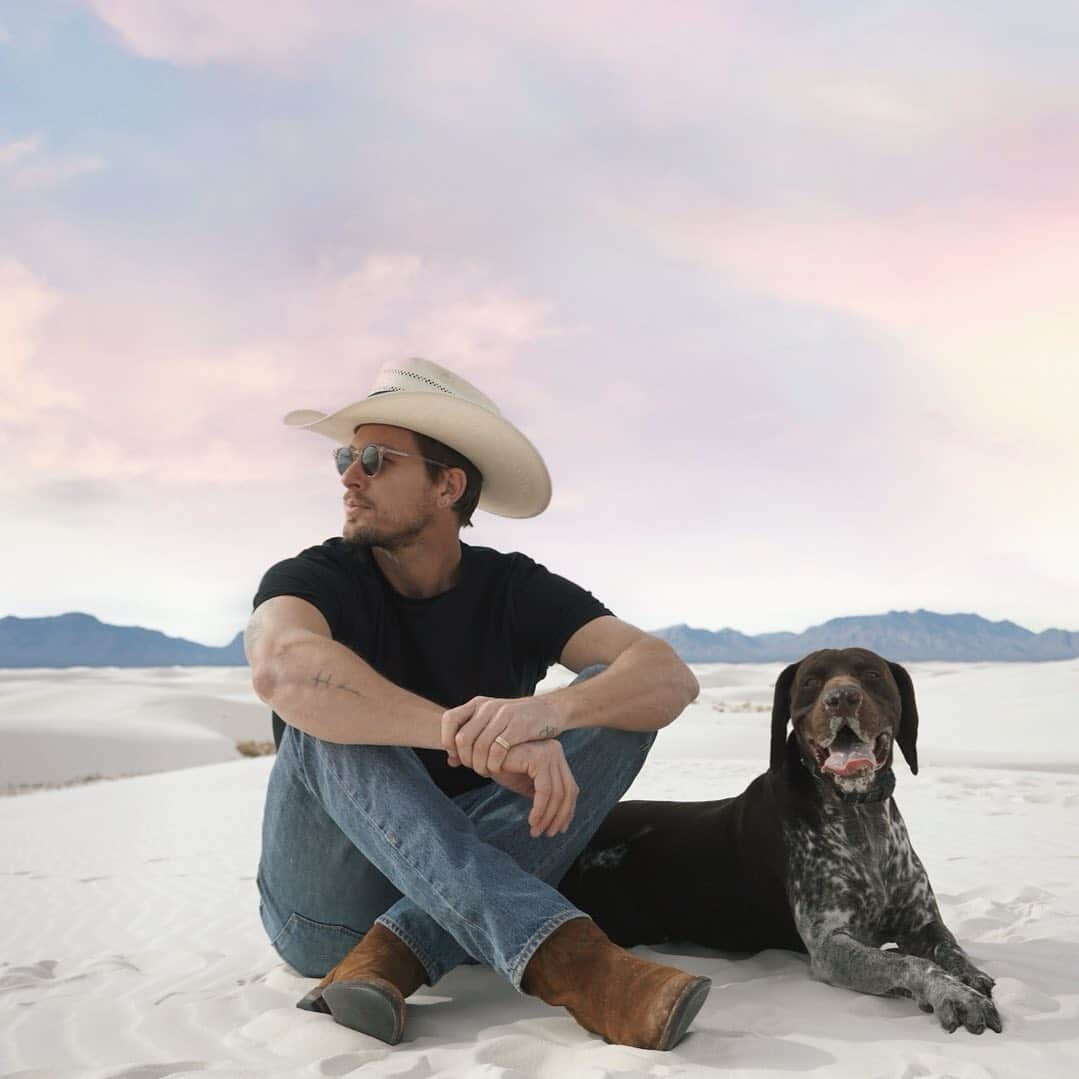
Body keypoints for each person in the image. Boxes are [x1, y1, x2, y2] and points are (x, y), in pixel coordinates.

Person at [246, 357, 709, 1050]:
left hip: (457, 902)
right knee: (324, 720)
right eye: (346, 456)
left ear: (447, 484)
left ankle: (397, 952)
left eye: (374, 458)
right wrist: (466, 734)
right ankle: (572, 964)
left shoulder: (513, 587)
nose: (348, 475)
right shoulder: (314, 576)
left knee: (618, 706)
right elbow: (282, 668)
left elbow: (668, 676)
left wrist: (544, 714)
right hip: (325, 914)